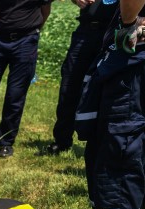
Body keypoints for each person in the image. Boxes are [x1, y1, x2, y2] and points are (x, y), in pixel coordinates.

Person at [80, 0, 145, 209]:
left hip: (135, 62)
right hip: (144, 57)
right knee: (123, 148)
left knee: (119, 151)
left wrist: (129, 22)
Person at [44, 0, 116, 155]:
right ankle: (62, 140)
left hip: (112, 32)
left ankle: (100, 143)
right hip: (85, 31)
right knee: (69, 85)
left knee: (105, 90)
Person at [0, 0, 54, 158]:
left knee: (15, 94)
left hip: (25, 41)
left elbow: (45, 9)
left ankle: (6, 141)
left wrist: (32, 30)